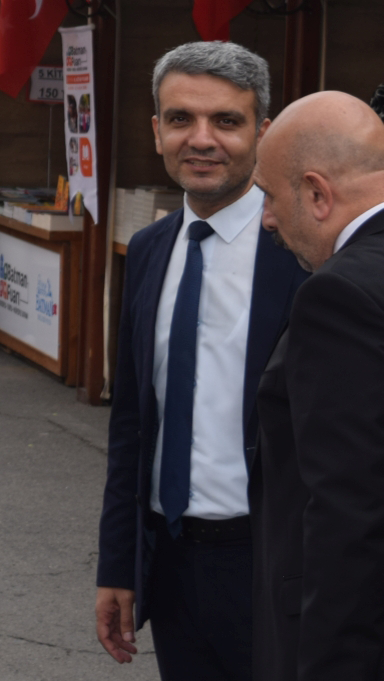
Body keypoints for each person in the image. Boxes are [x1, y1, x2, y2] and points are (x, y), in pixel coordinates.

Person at [92, 42, 305, 681]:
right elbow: (131, 425)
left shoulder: (304, 256)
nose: (202, 139)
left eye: (227, 121)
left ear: (263, 132)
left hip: (276, 569)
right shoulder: (149, 250)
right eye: (181, 118)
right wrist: (118, 564)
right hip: (171, 563)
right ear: (157, 130)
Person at [248, 90, 384, 681]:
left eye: (269, 196)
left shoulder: (338, 296)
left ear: (317, 194)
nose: (266, 218)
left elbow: (350, 514)